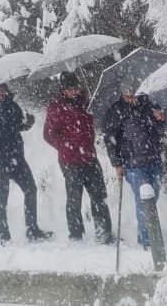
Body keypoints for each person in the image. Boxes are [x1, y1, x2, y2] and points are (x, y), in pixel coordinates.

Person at [0, 82, 53, 244]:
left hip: (17, 158)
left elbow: (17, 127)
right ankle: (4, 236)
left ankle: (32, 230)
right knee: (1, 199)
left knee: (30, 190)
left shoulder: (12, 106)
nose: (2, 93)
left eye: (3, 90)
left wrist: (27, 124)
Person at [43, 72, 113, 244]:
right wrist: (66, 145)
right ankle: (76, 234)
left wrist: (94, 107)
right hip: (70, 162)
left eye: (75, 88)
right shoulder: (56, 108)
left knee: (99, 196)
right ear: (63, 90)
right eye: (69, 89)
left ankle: (104, 232)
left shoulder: (87, 102)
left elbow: (96, 119)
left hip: (90, 157)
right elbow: (48, 135)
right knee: (74, 200)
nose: (74, 91)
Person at [102, 81, 165, 250]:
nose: (131, 98)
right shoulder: (115, 110)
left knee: (153, 198)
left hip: (155, 161)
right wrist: (117, 164)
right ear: (122, 94)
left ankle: (146, 232)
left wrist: (161, 119)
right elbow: (110, 140)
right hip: (133, 165)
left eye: (133, 94)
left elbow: (159, 131)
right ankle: (147, 240)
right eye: (127, 95)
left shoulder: (150, 105)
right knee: (143, 200)